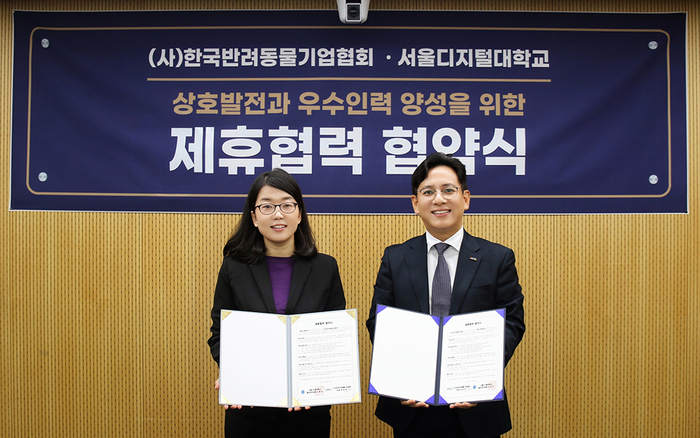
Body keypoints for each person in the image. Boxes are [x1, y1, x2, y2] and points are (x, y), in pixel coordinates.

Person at [366, 152, 525, 438]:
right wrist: (399, 379)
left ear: (465, 198)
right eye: (428, 192)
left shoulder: (497, 258)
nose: (438, 199)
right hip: (412, 407)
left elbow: (512, 323)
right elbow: (379, 322)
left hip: (475, 407)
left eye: (448, 190)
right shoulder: (395, 257)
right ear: (416, 203)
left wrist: (480, 378)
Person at [207, 168, 346, 438]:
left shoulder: (325, 267)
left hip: (308, 409)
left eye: (287, 205)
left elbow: (334, 336)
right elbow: (219, 334)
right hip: (249, 407)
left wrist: (323, 381)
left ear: (300, 213)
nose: (278, 214)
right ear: (254, 217)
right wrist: (232, 373)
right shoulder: (233, 267)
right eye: (267, 206)